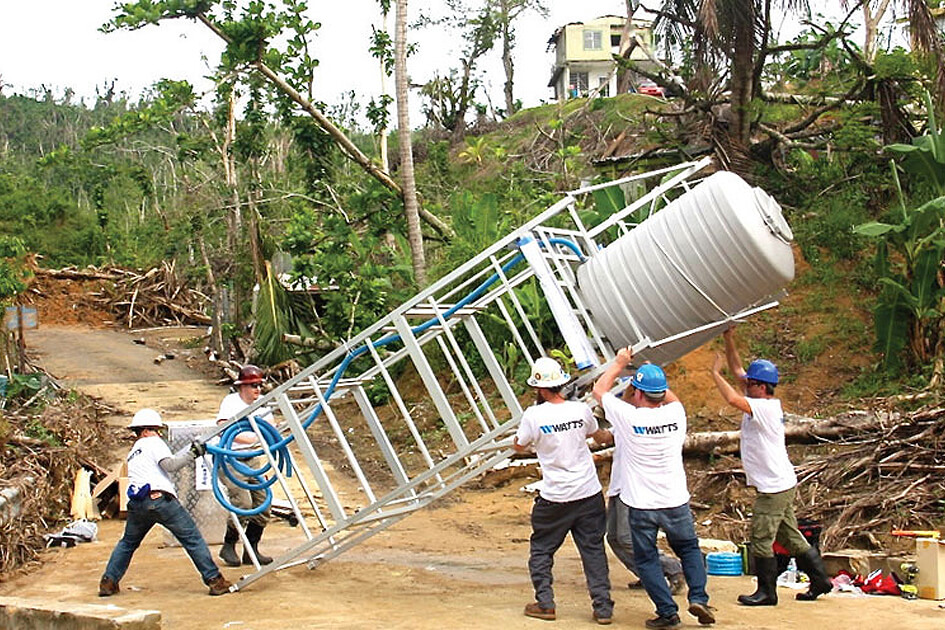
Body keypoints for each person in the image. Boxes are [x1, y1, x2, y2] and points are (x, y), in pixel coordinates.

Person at [593, 349, 715, 629]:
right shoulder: (676, 414)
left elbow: (599, 390)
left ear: (636, 393)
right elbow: (669, 395)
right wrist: (650, 370)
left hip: (642, 504)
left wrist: (620, 364)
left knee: (646, 558)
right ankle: (699, 597)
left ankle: (667, 612)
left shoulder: (629, 417)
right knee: (689, 549)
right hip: (675, 500)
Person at [710, 327, 832, 605]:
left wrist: (715, 375)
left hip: (773, 488)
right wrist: (729, 339)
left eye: (751, 383)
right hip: (780, 483)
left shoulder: (764, 408)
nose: (745, 384)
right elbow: (739, 370)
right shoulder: (759, 398)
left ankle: (767, 592)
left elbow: (731, 398)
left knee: (761, 537)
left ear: (762, 387)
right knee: (791, 537)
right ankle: (821, 581)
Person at [513, 357, 614, 625]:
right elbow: (598, 435)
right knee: (593, 550)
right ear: (562, 384)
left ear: (540, 388)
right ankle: (603, 607)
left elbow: (519, 446)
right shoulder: (579, 410)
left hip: (556, 497)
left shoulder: (533, 416)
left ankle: (545, 603)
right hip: (588, 493)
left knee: (542, 549)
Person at [98, 408, 232, 597]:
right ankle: (214, 580)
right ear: (145, 431)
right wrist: (194, 454)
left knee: (127, 543)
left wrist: (188, 452)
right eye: (155, 430)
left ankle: (108, 582)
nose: (158, 434)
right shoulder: (153, 442)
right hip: (160, 500)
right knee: (192, 539)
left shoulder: (134, 451)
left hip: (137, 503)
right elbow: (170, 465)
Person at [593, 403, 685, 595]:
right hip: (619, 485)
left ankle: (672, 567)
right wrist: (590, 419)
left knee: (626, 538)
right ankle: (650, 576)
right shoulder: (627, 420)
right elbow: (604, 438)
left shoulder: (647, 422)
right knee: (614, 538)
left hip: (634, 488)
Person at [216, 364, 274, 568]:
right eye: (253, 386)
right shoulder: (231, 403)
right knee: (243, 503)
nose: (257, 389)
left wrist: (257, 439)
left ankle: (252, 549)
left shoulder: (263, 406)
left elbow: (272, 431)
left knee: (263, 503)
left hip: (252, 458)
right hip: (231, 458)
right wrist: (250, 438)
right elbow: (224, 428)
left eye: (259, 385)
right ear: (242, 387)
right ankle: (229, 544)